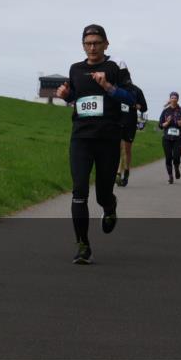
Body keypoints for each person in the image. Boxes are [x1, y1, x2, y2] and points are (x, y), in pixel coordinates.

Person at [55, 24, 135, 265]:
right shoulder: (75, 69)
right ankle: (83, 245)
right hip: (80, 138)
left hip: (108, 139)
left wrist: (109, 87)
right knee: (79, 191)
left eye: (97, 43)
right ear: (83, 45)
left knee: (102, 194)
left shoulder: (114, 67)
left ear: (106, 44)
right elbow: (78, 98)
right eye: (88, 43)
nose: (92, 47)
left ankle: (109, 207)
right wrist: (66, 95)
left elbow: (131, 99)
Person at [115, 72, 147, 187]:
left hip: (130, 122)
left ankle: (127, 171)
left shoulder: (136, 90)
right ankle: (118, 172)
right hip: (118, 122)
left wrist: (137, 106)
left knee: (127, 149)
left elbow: (144, 107)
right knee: (119, 148)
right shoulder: (116, 89)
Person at [158, 92, 181, 184]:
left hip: (178, 138)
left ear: (178, 99)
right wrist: (166, 123)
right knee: (168, 157)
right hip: (166, 138)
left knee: (176, 157)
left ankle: (176, 168)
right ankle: (170, 176)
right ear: (170, 99)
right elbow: (160, 125)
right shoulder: (165, 111)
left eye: (175, 98)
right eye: (172, 98)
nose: (173, 99)